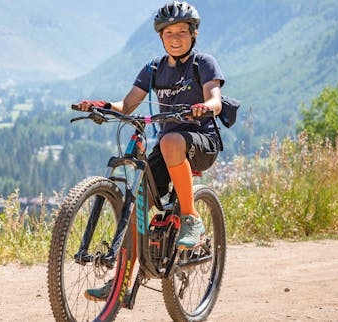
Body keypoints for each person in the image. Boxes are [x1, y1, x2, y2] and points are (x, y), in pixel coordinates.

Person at [77, 1, 224, 302]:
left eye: (182, 32)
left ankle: (191, 217)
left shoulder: (203, 63)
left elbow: (216, 100)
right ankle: (120, 282)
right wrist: (102, 106)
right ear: (160, 36)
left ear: (193, 34)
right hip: (171, 145)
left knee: (169, 142)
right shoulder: (154, 69)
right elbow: (126, 105)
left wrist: (204, 107)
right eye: (168, 32)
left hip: (201, 141)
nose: (175, 38)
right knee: (136, 206)